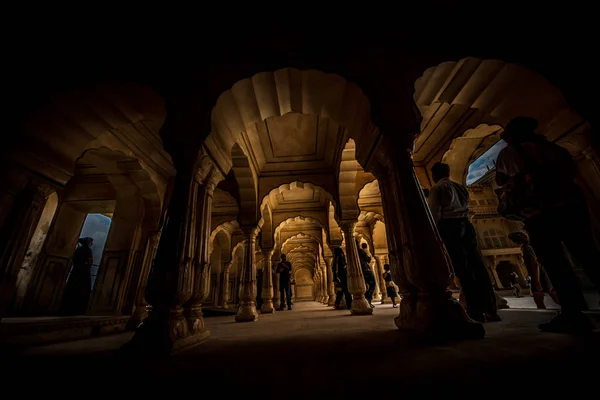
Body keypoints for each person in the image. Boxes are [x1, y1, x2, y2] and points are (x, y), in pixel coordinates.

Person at [496, 116, 599, 333]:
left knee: (555, 263)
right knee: (588, 255)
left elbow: (501, 181)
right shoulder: (554, 149)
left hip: (539, 212)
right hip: (572, 206)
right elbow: (573, 173)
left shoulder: (509, 154)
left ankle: (573, 313)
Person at [428, 162, 501, 323]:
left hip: (450, 228)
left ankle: (475, 311)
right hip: (466, 226)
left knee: (463, 269)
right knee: (478, 267)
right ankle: (491, 309)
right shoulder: (460, 188)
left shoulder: (437, 189)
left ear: (434, 176)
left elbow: (434, 215)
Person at [509, 231, 559, 309]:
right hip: (539, 275)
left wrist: (537, 280)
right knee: (548, 296)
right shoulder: (527, 247)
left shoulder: (527, 248)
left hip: (539, 275)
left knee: (542, 299)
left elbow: (535, 263)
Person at [60, 237, 94, 315]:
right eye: (91, 242)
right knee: (82, 290)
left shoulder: (78, 250)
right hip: (84, 273)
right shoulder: (88, 250)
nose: (92, 244)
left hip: (76, 272)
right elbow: (90, 261)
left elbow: (74, 260)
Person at [357, 242, 376, 308]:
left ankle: (367, 300)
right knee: (372, 284)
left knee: (364, 286)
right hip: (365, 270)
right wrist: (367, 252)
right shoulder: (362, 251)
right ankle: (368, 300)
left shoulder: (354, 252)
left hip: (359, 271)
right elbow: (368, 259)